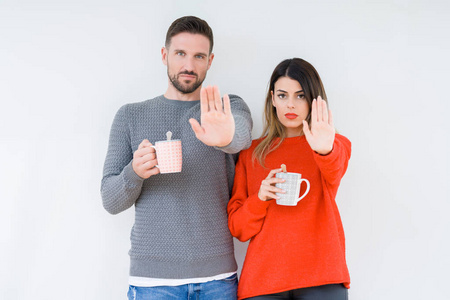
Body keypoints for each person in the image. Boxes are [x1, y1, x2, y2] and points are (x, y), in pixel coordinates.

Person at [101, 16, 252, 300]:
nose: (189, 66)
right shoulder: (130, 116)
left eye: (199, 56)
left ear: (210, 61)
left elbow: (242, 136)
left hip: (217, 279)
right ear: (164, 55)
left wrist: (225, 137)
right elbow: (109, 201)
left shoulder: (227, 107)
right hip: (152, 282)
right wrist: (134, 172)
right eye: (180, 53)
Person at [227, 58, 351, 300]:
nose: (290, 104)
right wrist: (260, 197)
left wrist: (324, 148)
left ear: (313, 100)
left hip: (322, 276)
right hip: (263, 281)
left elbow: (335, 169)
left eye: (300, 95)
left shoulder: (332, 146)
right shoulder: (250, 153)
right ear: (273, 99)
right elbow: (238, 229)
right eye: (283, 96)